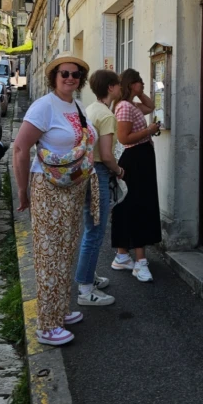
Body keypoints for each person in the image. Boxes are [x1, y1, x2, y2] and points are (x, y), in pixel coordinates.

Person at [13, 51, 97, 346]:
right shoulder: (43, 107)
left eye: (76, 74)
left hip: (72, 191)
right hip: (48, 189)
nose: (71, 78)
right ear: (54, 77)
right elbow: (20, 149)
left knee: (66, 252)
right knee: (49, 256)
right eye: (65, 74)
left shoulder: (76, 106)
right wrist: (22, 191)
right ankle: (46, 326)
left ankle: (60, 310)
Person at [75, 69, 124, 306]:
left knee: (90, 228)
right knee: (95, 231)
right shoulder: (106, 115)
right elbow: (106, 155)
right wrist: (119, 170)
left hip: (86, 173)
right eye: (117, 85)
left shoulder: (90, 109)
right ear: (111, 88)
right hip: (99, 173)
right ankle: (85, 290)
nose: (120, 88)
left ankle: (88, 277)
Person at [111, 68, 161, 281]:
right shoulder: (124, 107)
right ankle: (140, 262)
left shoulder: (131, 104)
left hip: (141, 158)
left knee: (130, 205)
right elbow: (124, 138)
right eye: (139, 82)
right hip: (135, 160)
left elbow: (151, 106)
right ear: (131, 83)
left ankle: (122, 255)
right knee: (139, 206)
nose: (142, 84)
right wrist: (149, 131)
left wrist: (139, 93)